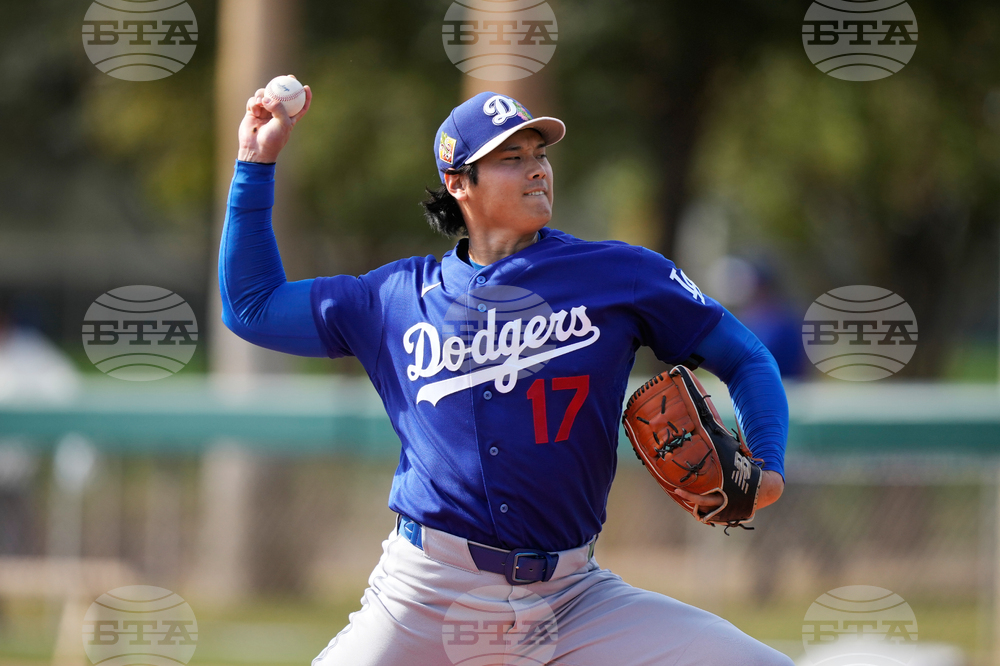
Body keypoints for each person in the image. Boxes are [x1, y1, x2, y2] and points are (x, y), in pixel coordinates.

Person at [220, 80, 793, 665]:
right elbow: (252, 307)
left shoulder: (617, 274)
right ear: (457, 182)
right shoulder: (393, 298)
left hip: (572, 599)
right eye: (511, 159)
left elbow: (746, 357)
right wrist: (255, 162)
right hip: (428, 593)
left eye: (540, 154)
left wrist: (769, 462)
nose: (537, 170)